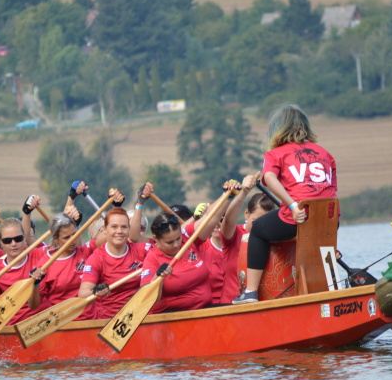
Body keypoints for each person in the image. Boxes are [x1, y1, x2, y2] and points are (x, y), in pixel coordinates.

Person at [233, 104, 337, 304]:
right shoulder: (325, 154)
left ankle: (251, 293)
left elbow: (268, 177)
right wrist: (332, 223)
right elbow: (332, 190)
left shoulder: (275, 154)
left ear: (278, 129)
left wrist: (292, 206)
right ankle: (330, 288)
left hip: (297, 217)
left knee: (258, 229)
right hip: (328, 221)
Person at [138, 183, 236, 314]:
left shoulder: (188, 237)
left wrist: (227, 196)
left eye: (178, 238)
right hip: (173, 316)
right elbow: (147, 300)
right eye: (169, 242)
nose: (176, 245)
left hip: (204, 310)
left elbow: (210, 218)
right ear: (156, 239)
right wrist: (157, 277)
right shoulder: (152, 259)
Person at [79, 208, 148, 318]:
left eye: (124, 227)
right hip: (110, 320)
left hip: (140, 316)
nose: (119, 231)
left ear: (129, 229)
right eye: (114, 227)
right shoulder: (96, 259)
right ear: (105, 229)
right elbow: (83, 295)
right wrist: (95, 291)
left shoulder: (143, 250)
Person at [219, 177, 277, 304]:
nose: (260, 227)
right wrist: (243, 192)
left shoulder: (275, 238)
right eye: (256, 222)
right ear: (246, 213)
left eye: (266, 223)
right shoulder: (235, 234)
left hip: (263, 304)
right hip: (232, 304)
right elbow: (228, 221)